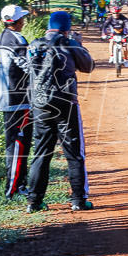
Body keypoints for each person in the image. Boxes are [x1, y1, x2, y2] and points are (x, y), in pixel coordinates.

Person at [24, 11, 95, 213]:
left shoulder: (33, 45)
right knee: (74, 153)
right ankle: (78, 201)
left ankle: (34, 202)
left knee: (41, 153)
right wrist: (78, 44)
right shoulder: (69, 43)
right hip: (65, 103)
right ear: (67, 27)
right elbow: (88, 66)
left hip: (39, 104)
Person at [0, 4, 32, 198]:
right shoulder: (17, 40)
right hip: (18, 99)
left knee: (14, 142)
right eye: (22, 18)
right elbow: (29, 67)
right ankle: (14, 187)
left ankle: (17, 184)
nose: (24, 21)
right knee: (19, 143)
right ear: (17, 21)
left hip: (3, 98)